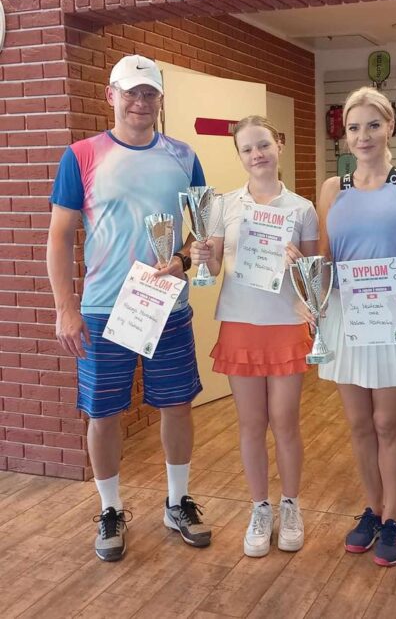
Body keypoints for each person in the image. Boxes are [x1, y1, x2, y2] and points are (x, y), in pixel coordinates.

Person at [46, 54, 212, 562]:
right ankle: (110, 509)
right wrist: (66, 307)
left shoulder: (184, 156)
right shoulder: (81, 156)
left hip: (168, 309)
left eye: (150, 94)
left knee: (176, 405)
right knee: (103, 414)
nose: (141, 102)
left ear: (160, 99)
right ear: (111, 96)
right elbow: (59, 237)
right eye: (131, 92)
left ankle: (177, 502)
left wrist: (184, 260)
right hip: (102, 311)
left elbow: (203, 233)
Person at [316, 87, 396, 567]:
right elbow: (325, 260)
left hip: (391, 317)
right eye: (353, 127)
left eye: (372, 125)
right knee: (359, 423)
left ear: (390, 127)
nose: (362, 136)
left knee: (388, 422)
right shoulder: (332, 189)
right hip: (346, 316)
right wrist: (304, 277)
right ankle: (371, 509)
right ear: (344, 135)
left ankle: (393, 518)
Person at [189, 116, 319, 557]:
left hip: (285, 324)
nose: (256, 154)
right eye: (247, 149)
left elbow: (314, 280)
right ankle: (260, 507)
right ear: (240, 156)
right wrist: (203, 255)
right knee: (250, 423)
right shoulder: (224, 205)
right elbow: (211, 270)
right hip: (241, 324)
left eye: (263, 144)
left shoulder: (302, 208)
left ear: (279, 144)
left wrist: (299, 263)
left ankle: (291, 505)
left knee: (285, 421)